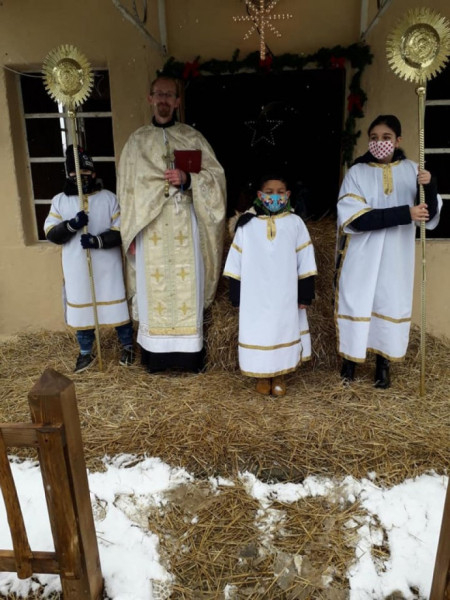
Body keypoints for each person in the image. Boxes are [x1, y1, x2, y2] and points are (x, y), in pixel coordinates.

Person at [118, 75, 226, 373]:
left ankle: (188, 358)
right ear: (150, 98)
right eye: (159, 94)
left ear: (177, 101)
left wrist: (188, 179)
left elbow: (216, 179)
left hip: (185, 228)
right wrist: (131, 234)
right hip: (149, 230)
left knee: (187, 288)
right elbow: (127, 192)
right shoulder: (136, 142)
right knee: (153, 292)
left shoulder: (193, 138)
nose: (163, 99)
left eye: (169, 95)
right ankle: (155, 358)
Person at [335, 114, 442, 388]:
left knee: (388, 303)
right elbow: (357, 219)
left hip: (396, 255)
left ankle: (382, 365)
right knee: (358, 303)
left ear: (398, 140)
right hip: (363, 254)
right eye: (374, 138)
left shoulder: (413, 171)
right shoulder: (356, 173)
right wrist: (405, 213)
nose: (379, 142)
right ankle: (350, 363)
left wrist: (429, 186)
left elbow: (428, 214)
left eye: (386, 137)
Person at [223, 174, 317, 396]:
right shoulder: (247, 225)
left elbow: (306, 259)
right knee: (259, 332)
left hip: (285, 294)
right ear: (259, 195)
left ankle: (280, 375)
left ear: (288, 195)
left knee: (282, 330)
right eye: (269, 192)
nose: (275, 196)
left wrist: (305, 294)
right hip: (255, 295)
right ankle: (262, 376)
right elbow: (235, 261)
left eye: (280, 192)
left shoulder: (296, 223)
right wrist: (236, 294)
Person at [44, 145, 134, 373]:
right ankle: (85, 352)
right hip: (77, 267)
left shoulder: (109, 198)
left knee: (117, 307)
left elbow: (122, 230)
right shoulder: (60, 201)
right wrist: (71, 225)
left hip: (107, 266)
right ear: (68, 174)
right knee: (82, 309)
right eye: (75, 173)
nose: (80, 177)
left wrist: (97, 241)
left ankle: (127, 346)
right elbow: (51, 233)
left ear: (93, 173)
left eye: (85, 173)